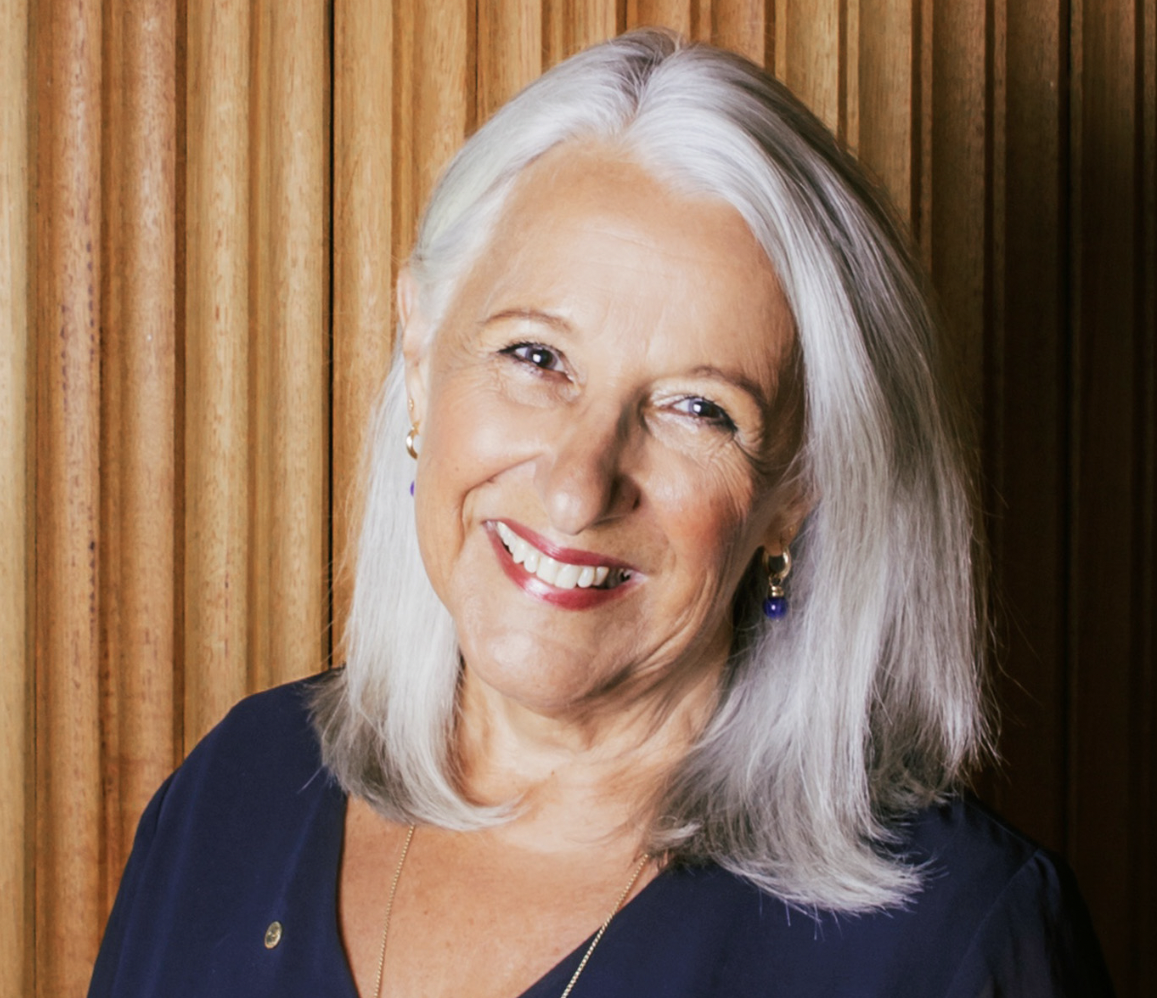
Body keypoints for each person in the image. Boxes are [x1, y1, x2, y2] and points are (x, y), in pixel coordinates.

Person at [88, 29, 1113, 998]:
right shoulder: (236, 792)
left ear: (797, 492)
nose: (580, 486)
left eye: (698, 409)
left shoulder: (956, 939)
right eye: (536, 356)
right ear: (421, 355)